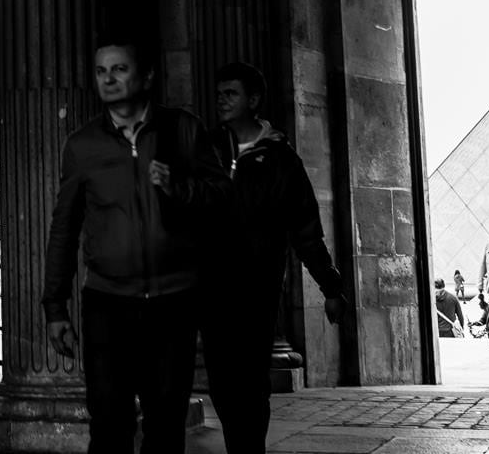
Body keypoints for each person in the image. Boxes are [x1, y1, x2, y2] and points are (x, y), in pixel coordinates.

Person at [42, 38, 229, 454]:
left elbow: (222, 197)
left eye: (119, 69)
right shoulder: (82, 145)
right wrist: (55, 306)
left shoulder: (183, 129)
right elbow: (64, 228)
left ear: (145, 76)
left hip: (173, 303)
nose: (108, 79)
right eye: (101, 71)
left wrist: (178, 187)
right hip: (108, 304)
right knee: (109, 426)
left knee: (165, 427)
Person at [204, 61, 347, 454]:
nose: (221, 100)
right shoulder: (207, 150)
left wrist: (331, 287)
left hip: (257, 287)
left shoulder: (282, 161)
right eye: (219, 93)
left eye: (230, 93)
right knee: (220, 380)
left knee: (249, 379)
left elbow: (306, 231)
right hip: (211, 286)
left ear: (253, 100)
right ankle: (241, 445)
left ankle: (248, 449)